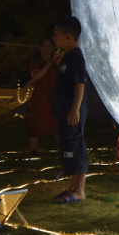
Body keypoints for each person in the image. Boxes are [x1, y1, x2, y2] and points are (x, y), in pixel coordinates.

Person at [51, 17, 88, 204]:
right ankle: (72, 188)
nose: (54, 38)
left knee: (75, 147)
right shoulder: (67, 56)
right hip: (63, 112)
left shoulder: (76, 56)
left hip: (72, 113)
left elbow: (79, 83)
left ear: (68, 36)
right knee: (68, 149)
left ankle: (79, 190)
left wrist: (75, 109)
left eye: (57, 34)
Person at [25, 37, 59, 154]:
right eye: (45, 45)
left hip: (54, 93)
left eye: (50, 45)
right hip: (40, 94)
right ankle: (34, 148)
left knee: (56, 119)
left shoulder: (58, 62)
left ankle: (59, 145)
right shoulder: (36, 63)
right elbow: (36, 76)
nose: (47, 48)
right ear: (40, 48)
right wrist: (48, 64)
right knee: (36, 119)